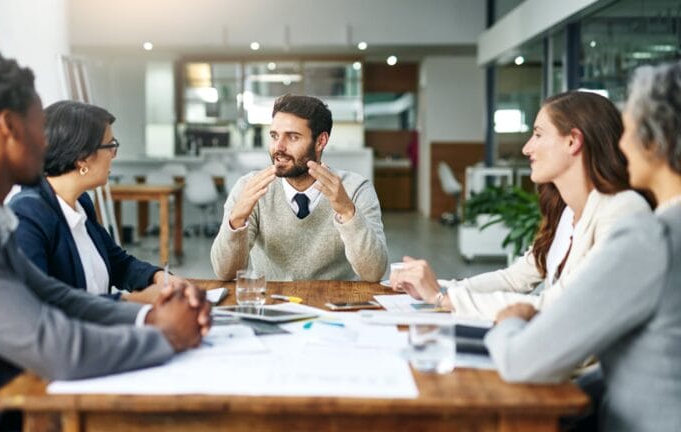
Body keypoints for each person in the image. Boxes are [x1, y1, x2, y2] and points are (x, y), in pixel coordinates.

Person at [0, 51, 211, 431]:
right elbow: (49, 343)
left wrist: (149, 316)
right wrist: (167, 335)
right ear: (9, 126)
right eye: (40, 126)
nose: (48, 142)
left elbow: (53, 295)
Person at [485, 61, 681, 432]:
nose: (621, 144)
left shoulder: (652, 240)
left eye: (631, 130)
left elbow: (524, 361)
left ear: (659, 141)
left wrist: (509, 323)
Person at [391, 91, 650, 320]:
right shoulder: (566, 211)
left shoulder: (622, 211)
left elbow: (560, 308)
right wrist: (442, 289)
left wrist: (442, 299)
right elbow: (513, 279)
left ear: (573, 141)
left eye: (538, 135)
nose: (527, 148)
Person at [210, 94, 388, 281]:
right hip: (272, 304)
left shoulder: (356, 189)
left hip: (335, 306)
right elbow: (225, 273)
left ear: (320, 141)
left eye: (292, 137)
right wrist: (236, 220)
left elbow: (373, 273)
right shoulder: (249, 188)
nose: (278, 147)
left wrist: (347, 212)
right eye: (274, 136)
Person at [9, 101, 171, 303]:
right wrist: (133, 302)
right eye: (110, 146)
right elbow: (40, 306)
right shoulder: (26, 216)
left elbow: (117, 262)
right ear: (82, 157)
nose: (114, 154)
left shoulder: (81, 202)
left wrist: (157, 277)